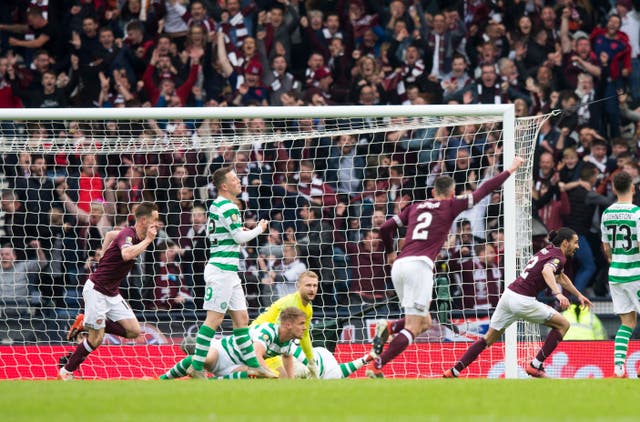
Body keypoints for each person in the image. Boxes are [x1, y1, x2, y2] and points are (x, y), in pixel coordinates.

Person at [366, 156, 525, 378]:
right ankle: (377, 366)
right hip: (419, 267)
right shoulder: (451, 205)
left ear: (433, 192)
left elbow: (385, 228)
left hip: (400, 265)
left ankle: (389, 327)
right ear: (452, 193)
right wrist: (511, 168)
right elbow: (484, 189)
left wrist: (390, 252)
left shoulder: (414, 207)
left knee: (426, 321)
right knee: (414, 325)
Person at [443, 227, 592, 378]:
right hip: (523, 300)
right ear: (565, 243)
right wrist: (558, 294)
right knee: (563, 325)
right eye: (576, 243)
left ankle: (453, 371)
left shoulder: (548, 250)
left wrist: (578, 295)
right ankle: (536, 365)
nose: (577, 247)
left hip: (508, 296)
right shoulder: (559, 256)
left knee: (487, 339)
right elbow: (547, 271)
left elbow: (560, 276)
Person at [58, 202, 160, 380]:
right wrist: (148, 241)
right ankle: (65, 373)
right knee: (95, 339)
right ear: (144, 220)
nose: (157, 224)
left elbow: (111, 234)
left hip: (112, 292)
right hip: (96, 290)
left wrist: (105, 251)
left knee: (133, 331)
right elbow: (127, 255)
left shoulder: (129, 233)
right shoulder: (130, 235)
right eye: (154, 220)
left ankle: (87, 322)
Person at [190, 166, 272, 379]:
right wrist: (259, 229)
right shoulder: (228, 206)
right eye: (234, 179)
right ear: (224, 186)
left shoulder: (218, 205)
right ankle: (196, 366)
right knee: (214, 319)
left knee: (242, 318)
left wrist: (240, 231)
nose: (238, 181)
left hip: (229, 271)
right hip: (220, 271)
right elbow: (238, 239)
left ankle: (255, 365)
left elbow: (220, 233)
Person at [159, 307, 307, 380]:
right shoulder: (268, 331)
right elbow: (256, 354)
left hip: (238, 365)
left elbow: (287, 357)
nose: (305, 327)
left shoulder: (287, 342)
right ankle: (163, 379)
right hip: (223, 352)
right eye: (301, 324)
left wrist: (290, 379)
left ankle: (208, 381)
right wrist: (270, 374)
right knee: (206, 358)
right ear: (288, 325)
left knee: (254, 375)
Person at [600, 171, 640, 378]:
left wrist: (615, 257)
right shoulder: (637, 213)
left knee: (627, 323)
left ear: (614, 189)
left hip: (616, 274)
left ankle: (618, 368)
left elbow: (606, 248)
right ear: (633, 188)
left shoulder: (606, 214)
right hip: (636, 273)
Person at [251, 271, 319, 378]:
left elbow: (305, 336)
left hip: (271, 344)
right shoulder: (290, 304)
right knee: (282, 378)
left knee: (286, 379)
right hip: (259, 340)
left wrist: (311, 361)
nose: (312, 289)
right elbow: (278, 333)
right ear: (298, 286)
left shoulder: (308, 309)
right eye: (308, 285)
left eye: (315, 285)